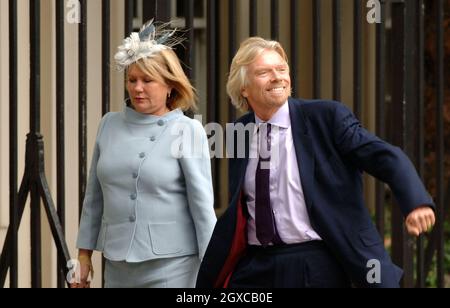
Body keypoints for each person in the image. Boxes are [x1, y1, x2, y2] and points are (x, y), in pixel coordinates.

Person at [196, 37, 436, 288]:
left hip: (314, 263)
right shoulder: (239, 131)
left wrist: (415, 202)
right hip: (257, 265)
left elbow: (383, 155)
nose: (277, 77)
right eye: (264, 72)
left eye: (281, 69)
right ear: (243, 87)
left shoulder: (326, 117)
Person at [72, 20, 217, 288]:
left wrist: (213, 272)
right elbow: (94, 197)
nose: (138, 88)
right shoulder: (108, 124)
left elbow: (202, 208)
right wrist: (83, 256)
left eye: (148, 80)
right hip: (117, 265)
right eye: (132, 80)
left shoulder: (187, 130)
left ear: (170, 85)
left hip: (174, 267)